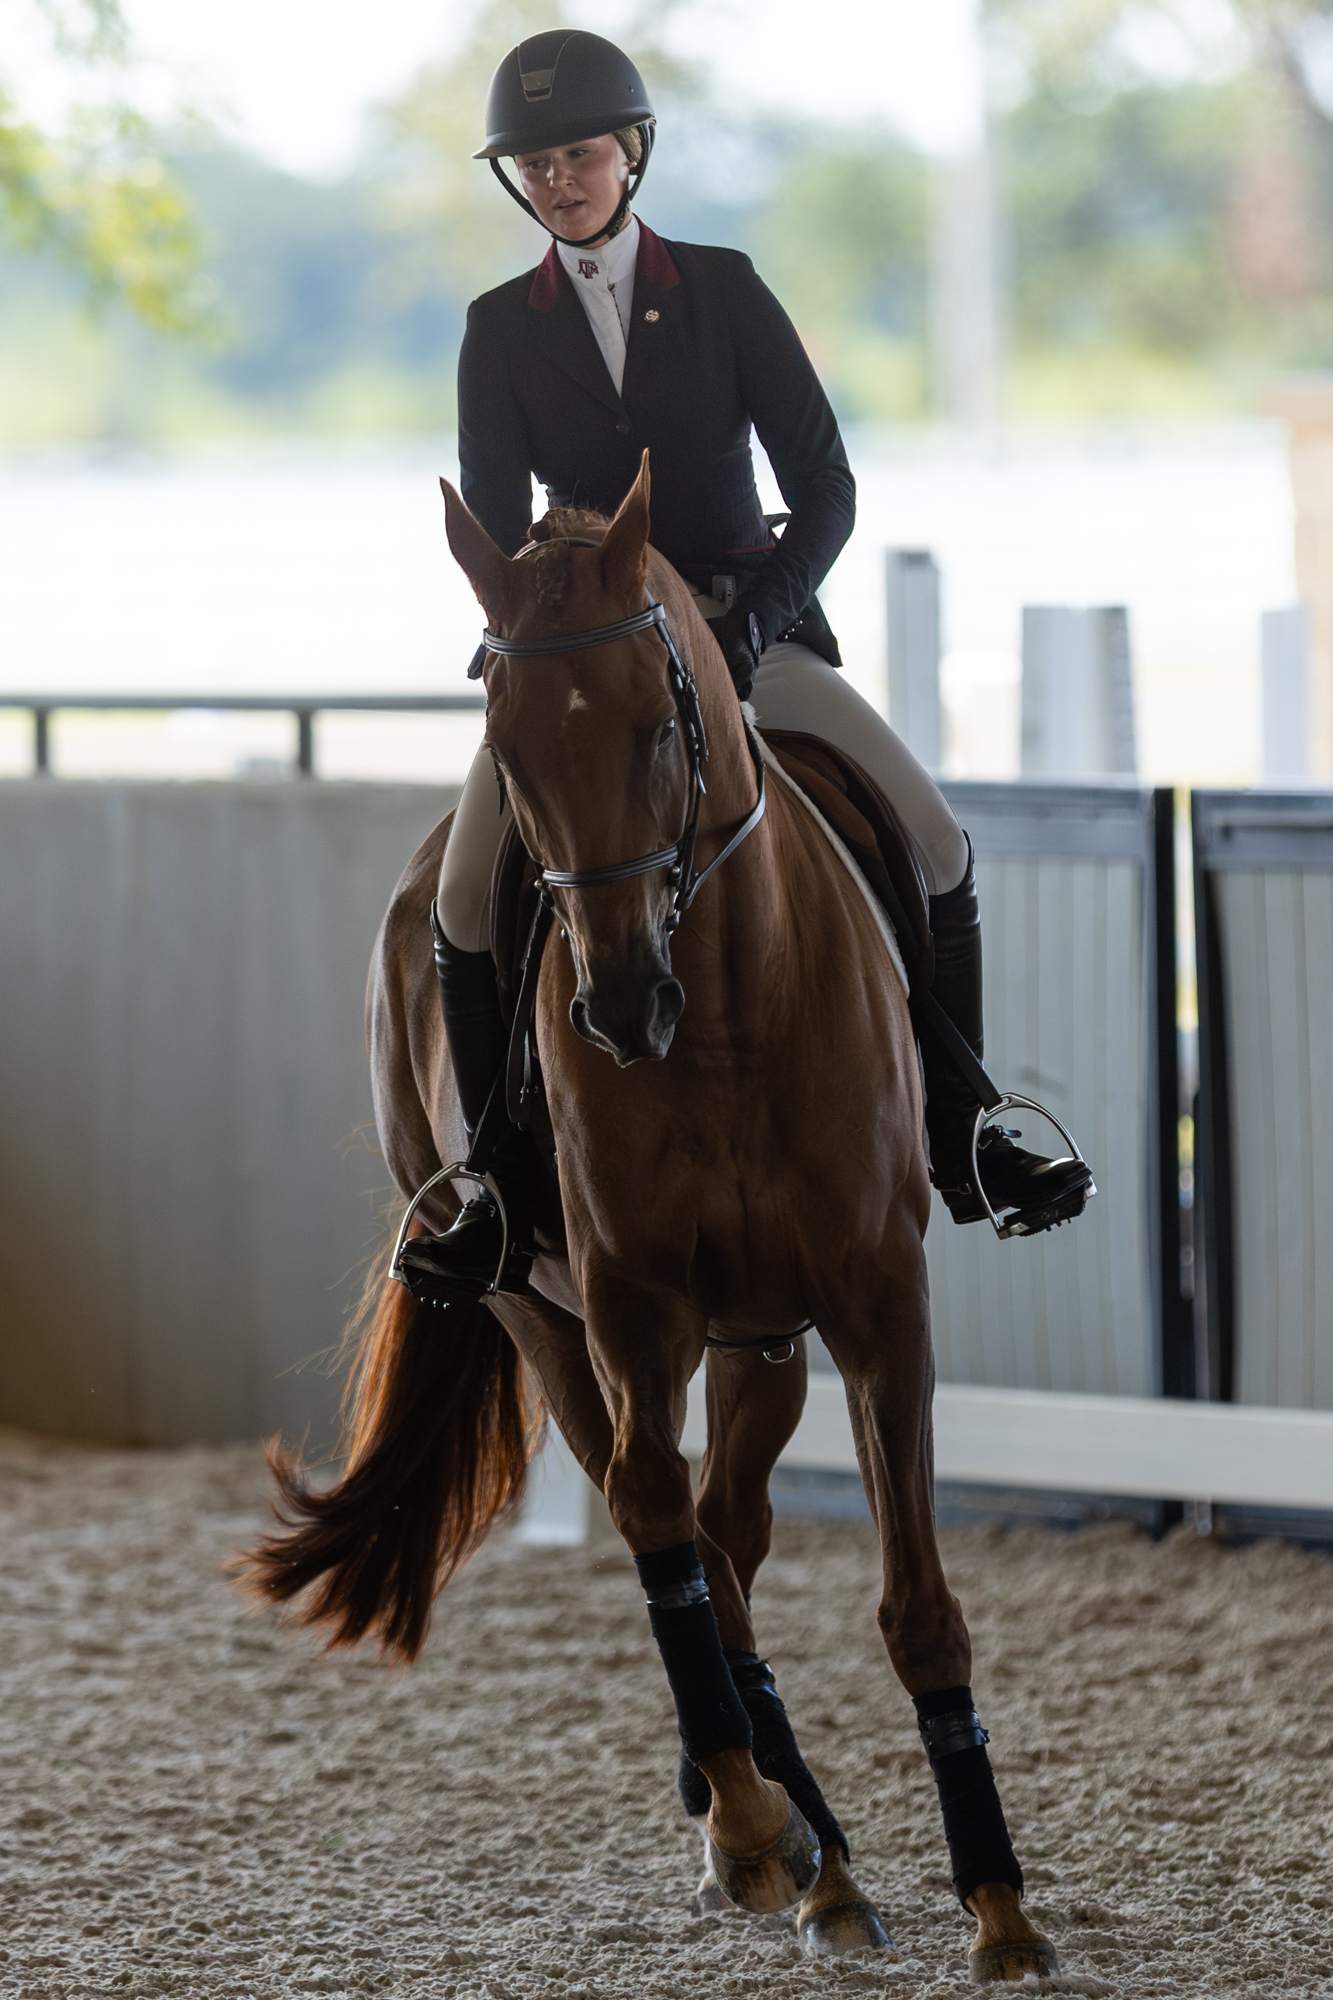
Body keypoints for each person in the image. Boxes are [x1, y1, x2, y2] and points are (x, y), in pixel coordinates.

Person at [421, 28, 1091, 1295]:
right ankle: (496, 1183)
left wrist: (748, 627)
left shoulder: (723, 288)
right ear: (517, 181)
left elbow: (825, 489)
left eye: (581, 152)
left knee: (935, 837)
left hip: (747, 630)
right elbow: (504, 536)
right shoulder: (497, 329)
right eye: (538, 161)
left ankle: (965, 1131)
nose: (563, 177)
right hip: (596, 667)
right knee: (462, 897)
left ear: (629, 154)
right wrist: (542, 649)